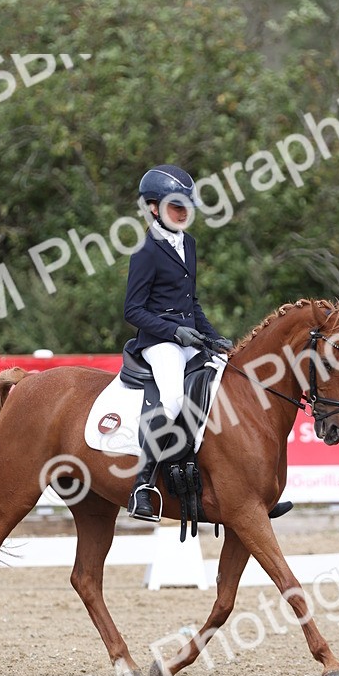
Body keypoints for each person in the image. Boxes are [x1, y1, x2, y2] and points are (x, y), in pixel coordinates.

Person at [123, 164, 233, 520]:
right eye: (175, 206)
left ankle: (242, 485)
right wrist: (173, 333)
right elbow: (133, 309)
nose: (183, 213)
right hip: (159, 343)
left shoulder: (189, 243)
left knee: (230, 386)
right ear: (154, 207)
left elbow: (192, 303)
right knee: (172, 399)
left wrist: (214, 338)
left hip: (191, 338)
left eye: (187, 207)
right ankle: (143, 483)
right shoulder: (146, 249)